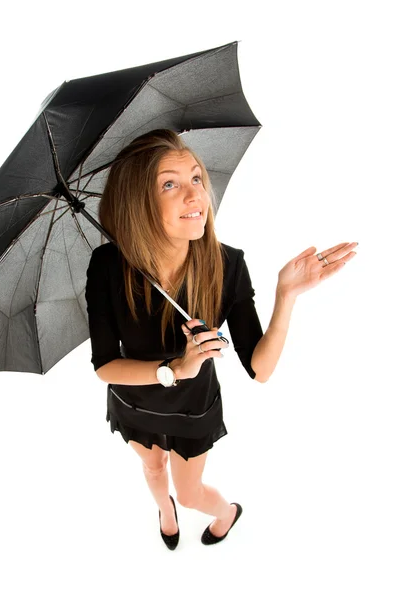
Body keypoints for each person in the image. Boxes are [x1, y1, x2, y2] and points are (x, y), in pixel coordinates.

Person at [84, 129, 358, 550]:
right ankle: (164, 510)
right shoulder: (107, 265)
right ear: (139, 202)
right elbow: (105, 365)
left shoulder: (227, 264)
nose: (195, 196)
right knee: (154, 470)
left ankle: (226, 512)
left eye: (196, 178)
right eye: (170, 184)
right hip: (134, 399)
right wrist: (176, 368)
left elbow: (259, 369)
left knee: (191, 492)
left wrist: (285, 297)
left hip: (193, 410)